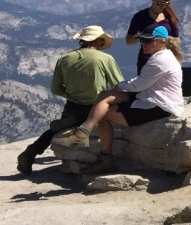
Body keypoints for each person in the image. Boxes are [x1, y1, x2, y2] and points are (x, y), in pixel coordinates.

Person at [55, 24, 184, 173]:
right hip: (151, 96)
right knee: (104, 95)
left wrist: (120, 86)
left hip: (158, 106)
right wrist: (121, 86)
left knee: (103, 114)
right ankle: (83, 133)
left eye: (147, 40)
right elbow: (141, 82)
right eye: (141, 40)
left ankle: (103, 157)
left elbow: (139, 85)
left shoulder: (160, 60)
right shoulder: (162, 56)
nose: (143, 44)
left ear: (161, 41)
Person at [16, 25, 123, 175]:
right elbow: (119, 85)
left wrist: (72, 95)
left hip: (72, 106)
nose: (103, 43)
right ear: (99, 40)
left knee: (57, 130)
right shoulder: (105, 59)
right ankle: (105, 159)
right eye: (102, 40)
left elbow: (55, 89)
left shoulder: (65, 59)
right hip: (96, 107)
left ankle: (30, 152)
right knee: (108, 124)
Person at [126, 0, 180, 74]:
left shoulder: (170, 18)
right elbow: (128, 41)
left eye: (166, 3)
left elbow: (176, 41)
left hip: (165, 62)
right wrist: (142, 36)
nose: (163, 6)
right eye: (160, 3)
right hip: (146, 61)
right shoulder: (140, 16)